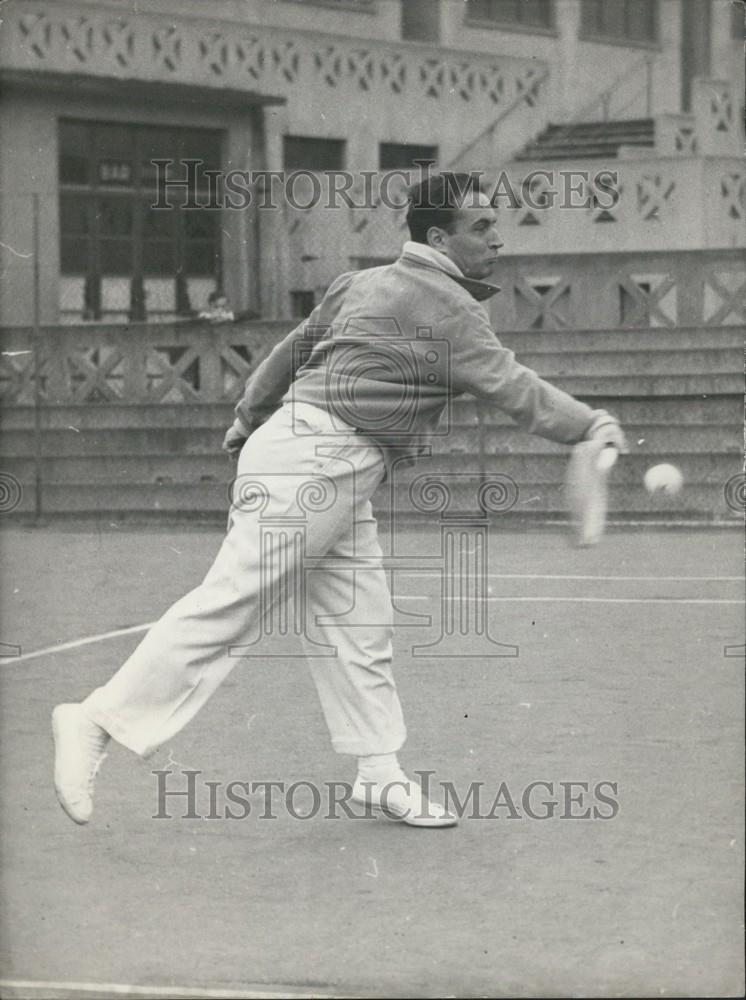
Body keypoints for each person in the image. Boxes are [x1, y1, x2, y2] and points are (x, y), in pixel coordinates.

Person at [52, 173, 626, 829]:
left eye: (495, 225)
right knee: (234, 602)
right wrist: (589, 424)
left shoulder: (361, 282)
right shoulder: (452, 310)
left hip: (315, 456)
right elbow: (515, 389)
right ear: (438, 237)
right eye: (480, 227)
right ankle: (95, 720)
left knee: (360, 621)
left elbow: (290, 352)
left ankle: (379, 774)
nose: (497, 238)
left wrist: (248, 416)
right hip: (320, 462)